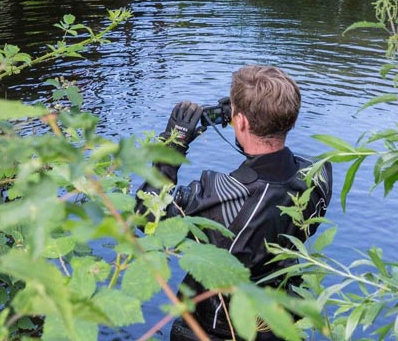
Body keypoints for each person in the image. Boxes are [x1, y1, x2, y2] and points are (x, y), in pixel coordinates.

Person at [142, 65, 333, 341]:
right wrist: (242, 119)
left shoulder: (225, 194)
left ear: (241, 122)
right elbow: (274, 173)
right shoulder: (319, 174)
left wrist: (172, 145)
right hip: (282, 321)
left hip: (218, 329)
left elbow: (147, 212)